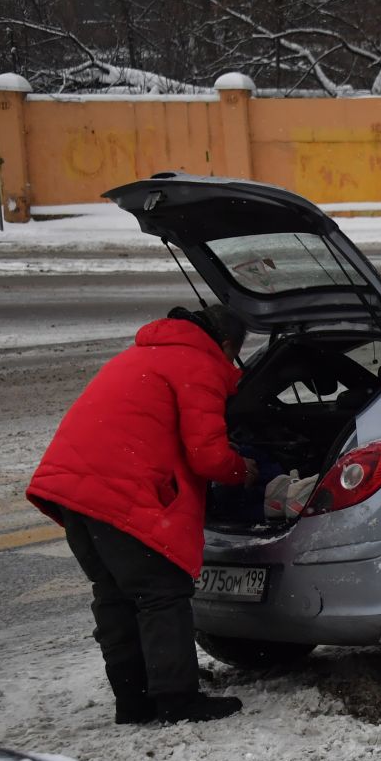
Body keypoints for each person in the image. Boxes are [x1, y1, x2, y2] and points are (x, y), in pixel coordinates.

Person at [28, 306, 258, 725]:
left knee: (114, 595)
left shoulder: (140, 355)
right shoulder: (198, 364)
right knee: (161, 594)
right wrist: (242, 470)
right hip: (121, 492)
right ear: (225, 345)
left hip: (73, 490)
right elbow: (208, 456)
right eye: (232, 356)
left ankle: (132, 703)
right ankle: (178, 700)